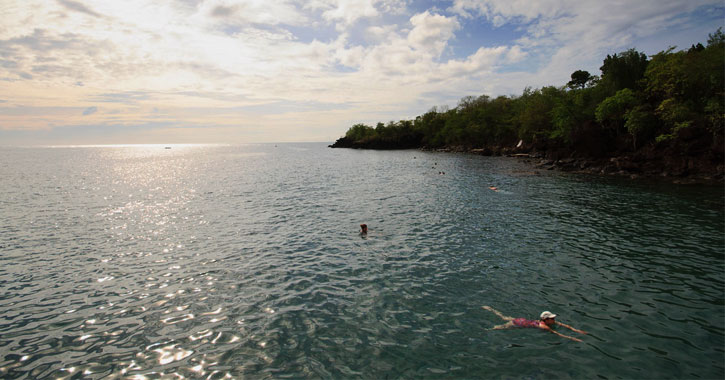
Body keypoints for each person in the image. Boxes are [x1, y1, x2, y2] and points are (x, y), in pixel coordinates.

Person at [482, 305, 587, 342]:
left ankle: (490, 309)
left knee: (503, 317)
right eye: (551, 318)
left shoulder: (546, 322)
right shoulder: (544, 326)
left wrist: (576, 330)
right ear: (546, 320)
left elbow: (564, 325)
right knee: (499, 328)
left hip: (521, 319)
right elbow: (558, 334)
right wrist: (573, 338)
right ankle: (487, 330)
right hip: (518, 323)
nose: (554, 319)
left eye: (553, 317)